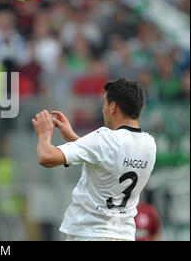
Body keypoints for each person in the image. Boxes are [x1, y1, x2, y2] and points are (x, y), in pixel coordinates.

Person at [31, 78, 156, 241]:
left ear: (113, 107)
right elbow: (107, 159)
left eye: (104, 103)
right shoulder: (149, 144)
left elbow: (46, 157)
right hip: (124, 234)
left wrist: (44, 134)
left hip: (90, 233)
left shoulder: (105, 138)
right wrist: (74, 138)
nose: (102, 109)